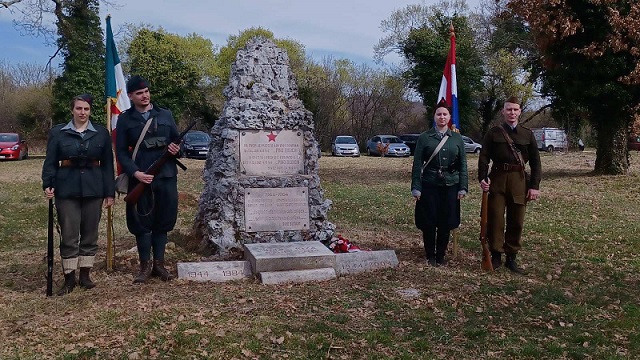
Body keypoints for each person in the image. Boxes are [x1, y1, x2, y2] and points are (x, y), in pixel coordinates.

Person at [41, 94, 115, 295]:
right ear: (72, 110)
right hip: (67, 189)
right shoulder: (58, 133)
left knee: (90, 233)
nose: (82, 113)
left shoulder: (101, 133)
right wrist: (48, 184)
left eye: (86, 109)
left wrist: (110, 192)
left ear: (90, 111)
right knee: (69, 234)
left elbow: (108, 165)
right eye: (79, 109)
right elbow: (50, 162)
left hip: (94, 189)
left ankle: (85, 275)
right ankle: (69, 278)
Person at [115, 75, 181, 283]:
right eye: (139, 93)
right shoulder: (126, 119)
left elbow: (178, 142)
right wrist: (136, 173)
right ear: (131, 96)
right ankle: (144, 266)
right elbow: (122, 153)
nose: (144, 96)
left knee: (163, 220)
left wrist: (176, 149)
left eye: (146, 92)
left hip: (166, 175)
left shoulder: (165, 114)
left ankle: (159, 265)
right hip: (141, 176)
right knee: (142, 221)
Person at [478, 96, 541, 274]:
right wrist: (482, 178)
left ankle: (511, 257)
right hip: (497, 180)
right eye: (508, 109)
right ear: (503, 112)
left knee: (517, 220)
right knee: (496, 219)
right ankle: (496, 255)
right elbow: (483, 157)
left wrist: (534, 186)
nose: (512, 113)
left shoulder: (527, 134)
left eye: (515, 109)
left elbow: (536, 162)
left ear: (520, 111)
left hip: (519, 181)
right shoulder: (494, 133)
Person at [411, 100, 468, 266]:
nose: (442, 117)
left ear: (450, 117)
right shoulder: (424, 137)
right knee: (429, 222)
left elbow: (462, 164)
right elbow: (417, 164)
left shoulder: (457, 138)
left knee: (446, 222)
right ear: (434, 116)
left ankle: (441, 255)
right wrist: (416, 186)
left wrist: (463, 186)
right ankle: (430, 255)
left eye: (445, 114)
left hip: (451, 185)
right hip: (429, 184)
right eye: (439, 114)